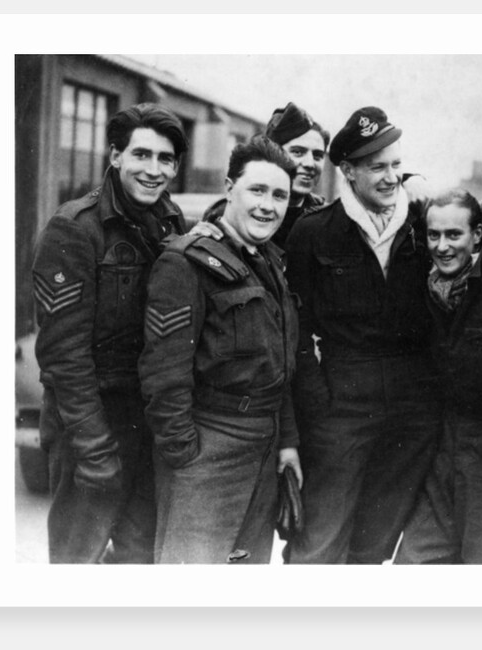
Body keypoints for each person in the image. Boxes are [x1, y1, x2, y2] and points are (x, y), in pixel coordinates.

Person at [31, 102, 188, 563]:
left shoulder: (170, 219)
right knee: (77, 560)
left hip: (148, 422)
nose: (153, 169)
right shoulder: (74, 229)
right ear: (115, 156)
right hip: (92, 423)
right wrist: (93, 447)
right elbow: (64, 357)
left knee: (139, 560)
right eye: (141, 155)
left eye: (165, 159)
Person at [283, 106, 440, 564]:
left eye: (396, 164)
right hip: (341, 410)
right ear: (348, 171)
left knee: (374, 546)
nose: (391, 177)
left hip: (411, 414)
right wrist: (318, 400)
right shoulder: (313, 233)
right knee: (319, 542)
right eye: (377, 167)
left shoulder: (424, 225)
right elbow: (296, 330)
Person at [138, 135, 303, 564]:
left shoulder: (269, 262)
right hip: (208, 449)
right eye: (257, 190)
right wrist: (186, 456)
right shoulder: (186, 262)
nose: (269, 205)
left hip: (262, 451)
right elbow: (163, 373)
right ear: (230, 187)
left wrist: (286, 442)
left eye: (280, 195)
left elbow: (279, 364)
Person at [394, 189, 482, 564]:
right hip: (440, 447)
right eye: (434, 235)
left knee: (481, 563)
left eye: (454, 235)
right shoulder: (423, 289)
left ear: (478, 236)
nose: (443, 246)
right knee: (414, 562)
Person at [201, 102, 329, 249]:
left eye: (318, 155)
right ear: (274, 154)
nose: (310, 164)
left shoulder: (328, 219)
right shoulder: (226, 214)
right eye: (297, 152)